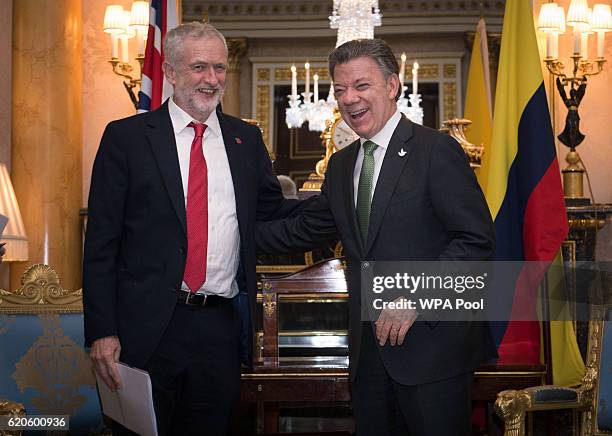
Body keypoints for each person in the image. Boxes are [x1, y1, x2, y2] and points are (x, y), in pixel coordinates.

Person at [256, 39, 496, 435]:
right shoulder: (341, 165)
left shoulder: (436, 151)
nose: (349, 99)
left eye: (362, 86)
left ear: (392, 86)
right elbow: (302, 229)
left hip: (432, 352)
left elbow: (476, 241)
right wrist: (223, 233)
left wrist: (417, 297)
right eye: (340, 89)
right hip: (368, 355)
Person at [83, 22, 303, 435]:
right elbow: (101, 243)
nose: (213, 79)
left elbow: (273, 215)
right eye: (200, 67)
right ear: (169, 72)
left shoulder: (246, 140)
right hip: (142, 330)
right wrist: (102, 331)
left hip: (219, 329)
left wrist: (341, 201)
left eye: (219, 68)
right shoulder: (126, 139)